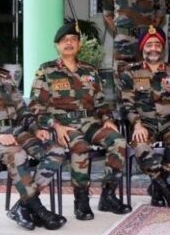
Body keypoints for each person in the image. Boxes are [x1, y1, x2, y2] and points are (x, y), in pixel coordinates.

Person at [0, 20, 65, 230]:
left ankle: (22, 206)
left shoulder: (5, 76)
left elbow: (22, 110)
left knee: (56, 150)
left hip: (16, 131)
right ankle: (38, 209)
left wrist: (36, 129)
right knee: (16, 153)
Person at [29, 22, 131, 220]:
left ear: (79, 44)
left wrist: (107, 119)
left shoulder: (90, 71)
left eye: (73, 39)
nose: (69, 43)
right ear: (57, 45)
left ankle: (108, 195)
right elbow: (35, 106)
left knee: (118, 141)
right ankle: (81, 199)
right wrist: (55, 126)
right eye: (64, 40)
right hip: (63, 125)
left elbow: (101, 102)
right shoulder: (47, 71)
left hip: (90, 122)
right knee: (80, 145)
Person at [120, 26, 170, 208]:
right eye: (149, 44)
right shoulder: (130, 72)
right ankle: (164, 186)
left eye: (157, 45)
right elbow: (127, 103)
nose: (154, 48)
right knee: (140, 143)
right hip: (144, 124)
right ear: (142, 48)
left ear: (163, 48)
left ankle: (157, 187)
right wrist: (137, 125)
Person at [103, 0, 166, 82]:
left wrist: (150, 32)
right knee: (122, 77)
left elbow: (160, 11)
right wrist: (119, 31)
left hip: (147, 40)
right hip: (123, 40)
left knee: (148, 76)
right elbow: (107, 13)